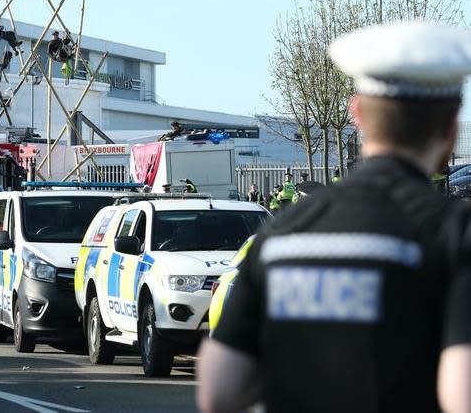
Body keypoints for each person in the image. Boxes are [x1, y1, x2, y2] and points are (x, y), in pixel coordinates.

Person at [196, 21, 471, 413]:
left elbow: (219, 391)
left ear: (356, 112)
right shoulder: (455, 235)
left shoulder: (282, 234)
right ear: (450, 128)